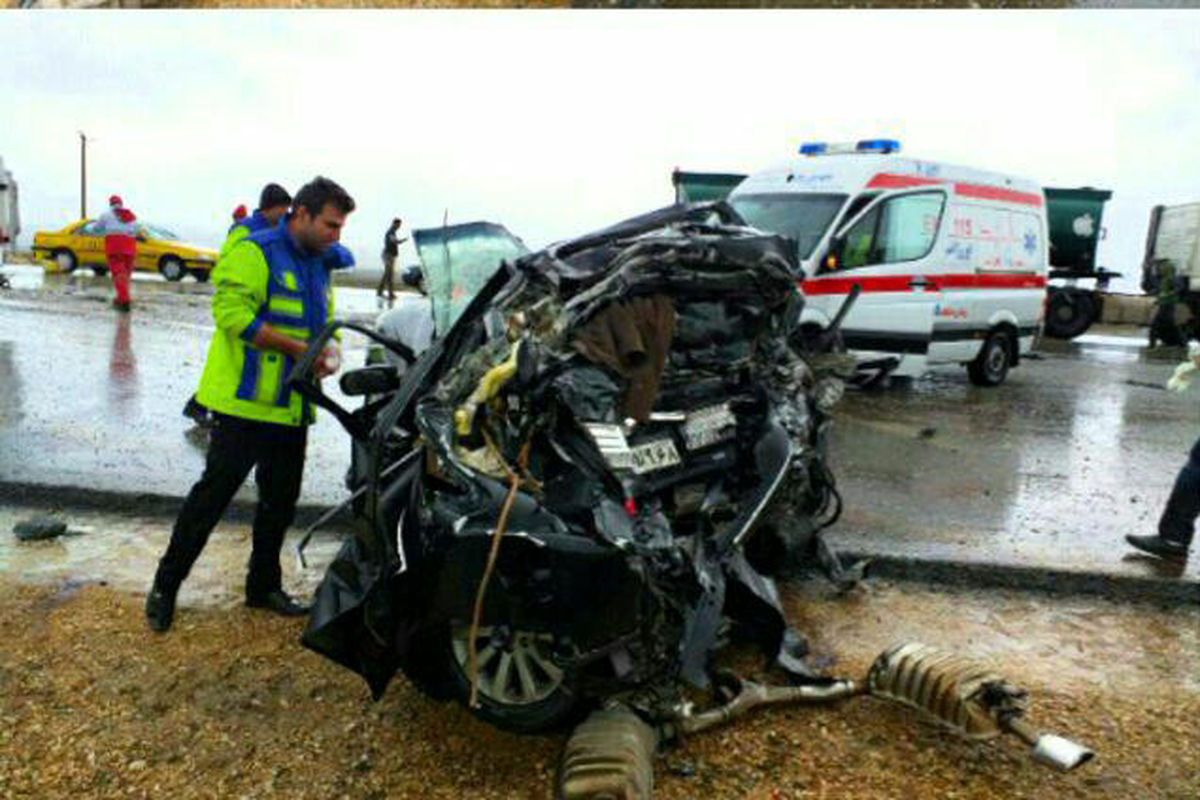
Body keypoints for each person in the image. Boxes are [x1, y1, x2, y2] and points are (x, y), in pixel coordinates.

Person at [147, 176, 356, 633]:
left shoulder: (320, 263)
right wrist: (297, 349)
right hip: (244, 408)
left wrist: (331, 351)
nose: (335, 236)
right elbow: (231, 315)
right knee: (210, 500)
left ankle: (262, 587)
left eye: (340, 229)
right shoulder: (254, 251)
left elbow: (325, 322)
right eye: (330, 225)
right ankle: (165, 586)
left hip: (291, 408)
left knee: (279, 505)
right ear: (299, 213)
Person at [184, 184, 296, 428]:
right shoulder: (244, 231)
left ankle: (202, 406)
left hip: (261, 307)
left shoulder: (275, 232)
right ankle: (199, 405)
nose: (286, 214)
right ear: (270, 207)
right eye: (283, 208)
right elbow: (228, 266)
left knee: (241, 367)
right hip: (242, 309)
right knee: (229, 367)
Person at [96, 195, 139, 312]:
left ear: (110, 204)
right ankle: (120, 297)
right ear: (121, 203)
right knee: (125, 275)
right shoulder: (131, 216)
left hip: (115, 247)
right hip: (130, 248)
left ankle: (124, 301)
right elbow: (136, 230)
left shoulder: (106, 215)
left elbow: (96, 228)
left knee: (118, 274)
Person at [377, 218, 407, 302]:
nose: (399, 227)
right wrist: (402, 240)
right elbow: (394, 241)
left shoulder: (392, 232)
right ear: (394, 224)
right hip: (388, 255)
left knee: (387, 274)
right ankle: (389, 294)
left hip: (391, 255)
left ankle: (382, 292)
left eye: (399, 225)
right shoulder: (390, 232)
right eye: (398, 225)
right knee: (389, 274)